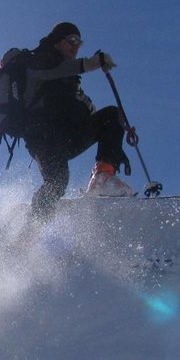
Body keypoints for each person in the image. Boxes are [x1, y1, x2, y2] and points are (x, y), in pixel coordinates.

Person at [23, 21, 134, 220]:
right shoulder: (40, 60)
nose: (76, 46)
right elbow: (53, 71)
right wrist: (90, 63)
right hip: (43, 137)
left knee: (111, 115)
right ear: (57, 41)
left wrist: (115, 131)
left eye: (79, 43)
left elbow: (86, 107)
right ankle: (33, 227)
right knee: (57, 181)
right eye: (72, 41)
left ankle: (102, 177)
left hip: (66, 135)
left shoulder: (71, 80)